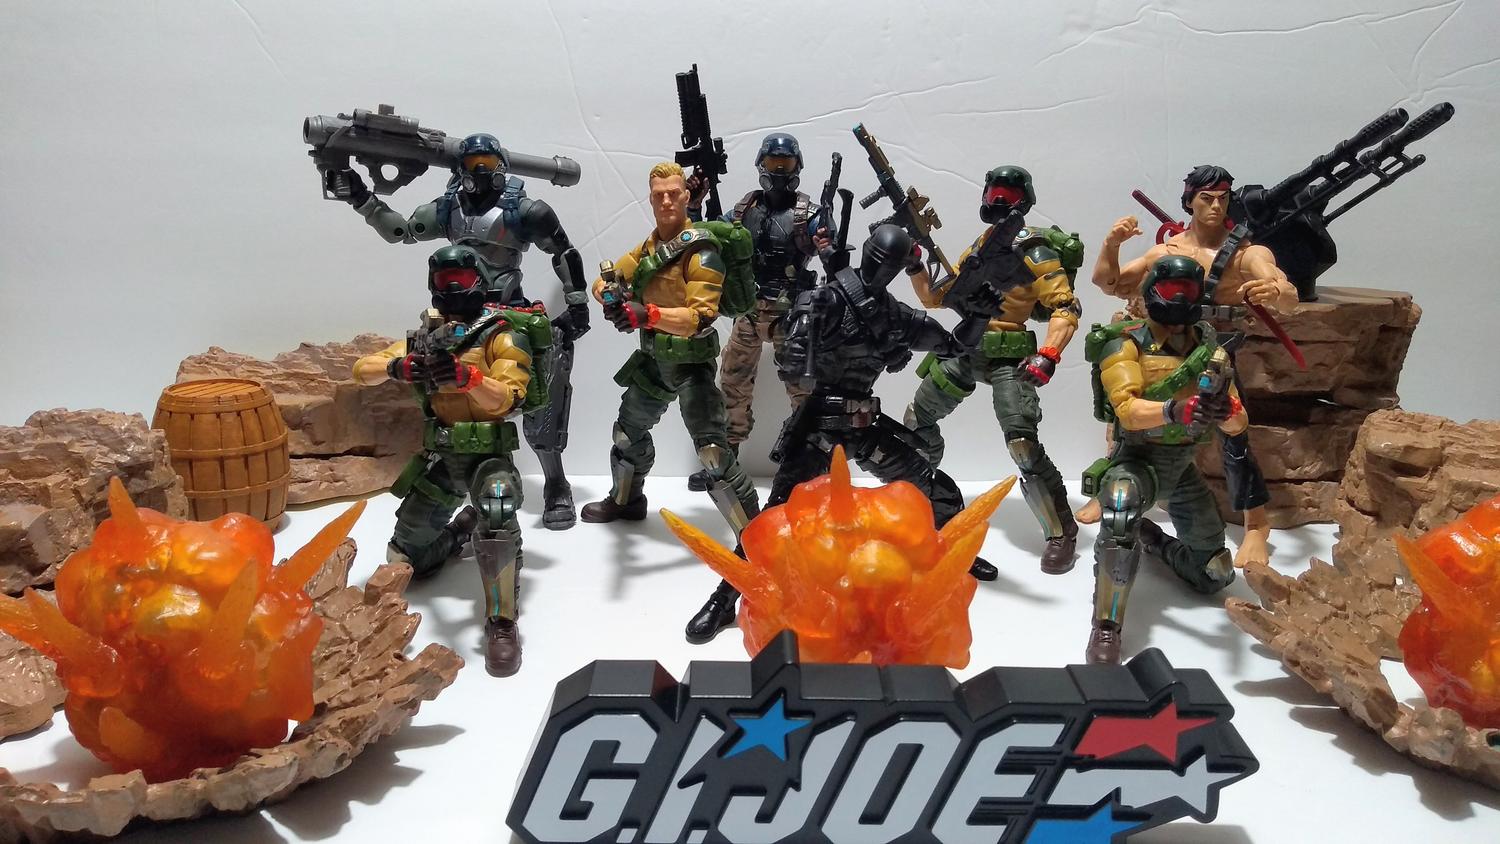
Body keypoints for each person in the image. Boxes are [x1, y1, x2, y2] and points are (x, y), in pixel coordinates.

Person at [684, 224, 1003, 645]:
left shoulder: (896, 316)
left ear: (899, 269)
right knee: (772, 519)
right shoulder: (825, 300)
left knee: (937, 491)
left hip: (865, 426)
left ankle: (956, 556)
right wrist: (801, 335)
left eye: (889, 264)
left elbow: (953, 346)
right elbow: (791, 361)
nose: (879, 268)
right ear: (865, 252)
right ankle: (725, 599)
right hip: (821, 428)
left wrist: (978, 317)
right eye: (876, 257)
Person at [324, 133, 588, 530]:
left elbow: (563, 252)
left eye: (488, 162)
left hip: (508, 312)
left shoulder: (523, 210)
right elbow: (401, 231)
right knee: (446, 394)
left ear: (502, 166)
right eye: (471, 162)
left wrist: (578, 302)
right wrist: (361, 197)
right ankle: (453, 479)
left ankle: (555, 483)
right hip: (457, 313)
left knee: (541, 397)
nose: (479, 170)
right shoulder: (449, 208)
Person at [1085, 165, 1298, 568]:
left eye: (1223, 198)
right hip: (1160, 344)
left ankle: (1256, 524)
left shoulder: (1247, 253)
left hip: (1215, 350)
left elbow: (1286, 294)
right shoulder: (1166, 252)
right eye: (1206, 198)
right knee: (1127, 417)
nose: (1216, 206)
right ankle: (1110, 489)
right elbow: (1110, 284)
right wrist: (1111, 244)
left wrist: (1275, 290)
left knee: (1234, 432)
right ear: (1190, 201)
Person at [352, 245, 548, 677]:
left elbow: (509, 397)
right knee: (408, 557)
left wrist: (469, 378)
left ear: (479, 281)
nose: (452, 287)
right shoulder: (427, 334)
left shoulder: (500, 335)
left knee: (497, 503)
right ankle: (460, 530)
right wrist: (401, 367)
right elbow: (361, 370)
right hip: (441, 458)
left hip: (486, 457)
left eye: (460, 277)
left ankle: (502, 621)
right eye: (443, 280)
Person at [904, 166, 1084, 574]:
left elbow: (1065, 304)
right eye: (994, 192)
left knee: (1022, 443)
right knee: (916, 422)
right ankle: (920, 503)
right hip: (967, 346)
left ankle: (1060, 531)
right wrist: (916, 264)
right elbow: (938, 298)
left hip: (1010, 356)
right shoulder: (981, 245)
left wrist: (1049, 354)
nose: (999, 200)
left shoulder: (1033, 248)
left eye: (1009, 194)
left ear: (1025, 200)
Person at [580, 162, 761, 556]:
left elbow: (699, 317)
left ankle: (755, 538)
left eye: (673, 194)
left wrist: (647, 314)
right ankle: (627, 501)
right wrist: (611, 297)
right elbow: (604, 280)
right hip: (653, 363)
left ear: (686, 197)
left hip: (692, 367)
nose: (666, 201)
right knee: (626, 435)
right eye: (658, 195)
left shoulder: (701, 252)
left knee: (712, 453)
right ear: (650, 199)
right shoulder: (649, 248)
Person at [1083, 255, 1246, 664]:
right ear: (1153, 290)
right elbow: (1127, 411)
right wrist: (1176, 410)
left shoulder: (1211, 350)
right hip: (1137, 462)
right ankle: (1106, 624)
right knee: (1120, 509)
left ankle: (1155, 541)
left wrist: (1223, 411)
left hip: (1183, 467)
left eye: (1188, 290)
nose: (1180, 299)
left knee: (1214, 572)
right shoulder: (1125, 343)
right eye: (1173, 289)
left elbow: (1239, 423)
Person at [682, 133, 835, 491]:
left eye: (786, 164)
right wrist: (694, 207)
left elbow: (834, 258)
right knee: (732, 383)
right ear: (760, 166)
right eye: (772, 163)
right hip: (749, 311)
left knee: (804, 390)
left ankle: (812, 465)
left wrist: (828, 246)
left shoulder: (809, 215)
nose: (779, 171)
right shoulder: (744, 211)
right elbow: (706, 236)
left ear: (797, 167)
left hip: (792, 316)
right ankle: (726, 460)